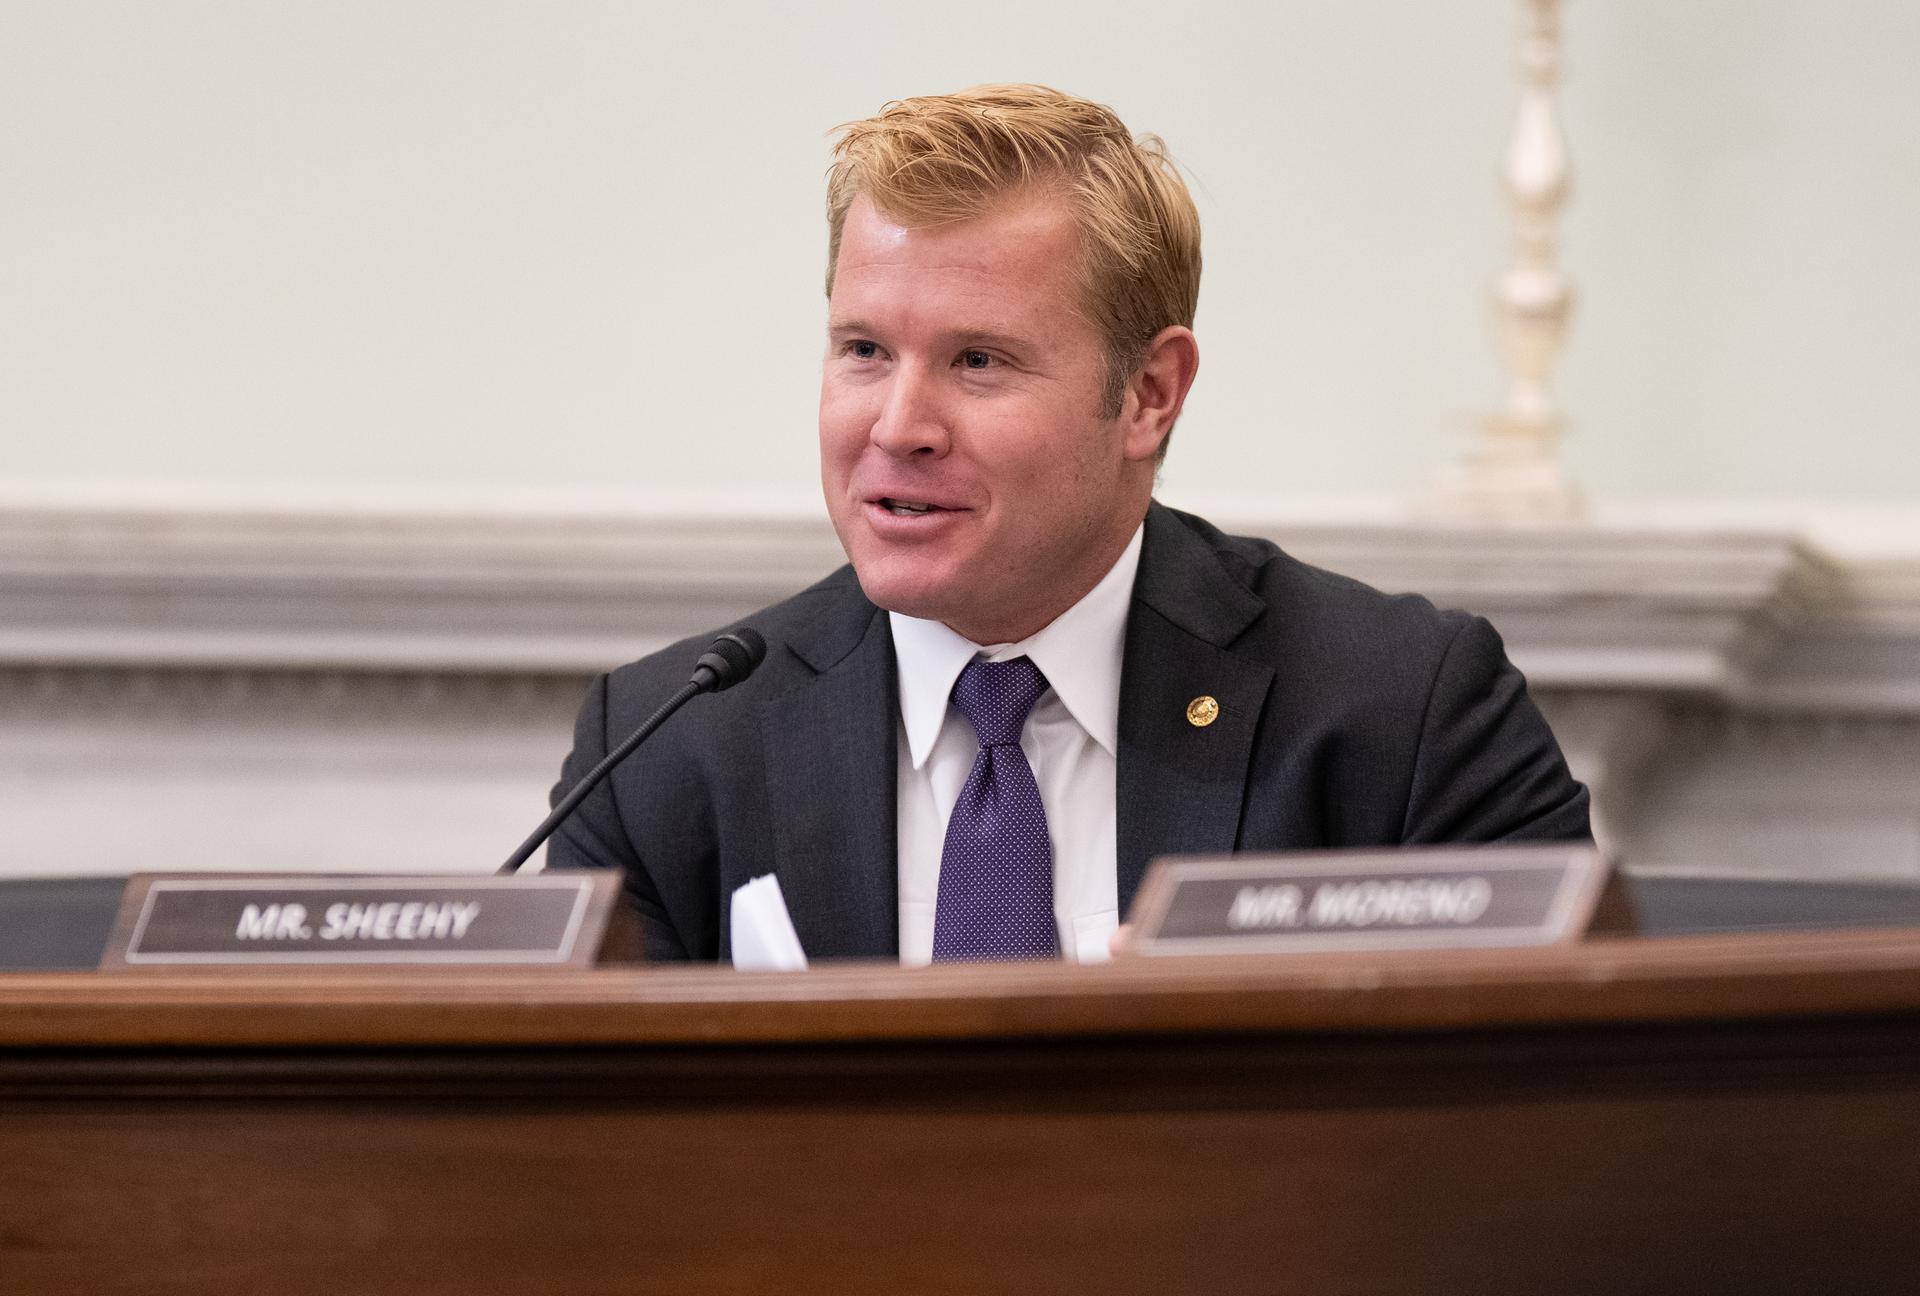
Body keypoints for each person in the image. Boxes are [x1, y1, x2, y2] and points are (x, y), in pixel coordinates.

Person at [547, 84, 1590, 964]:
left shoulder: (1404, 716)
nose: (898, 425)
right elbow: (582, 1167)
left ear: (1147, 393)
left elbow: (1555, 1129)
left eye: (978, 361)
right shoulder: (666, 749)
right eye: (864, 349)